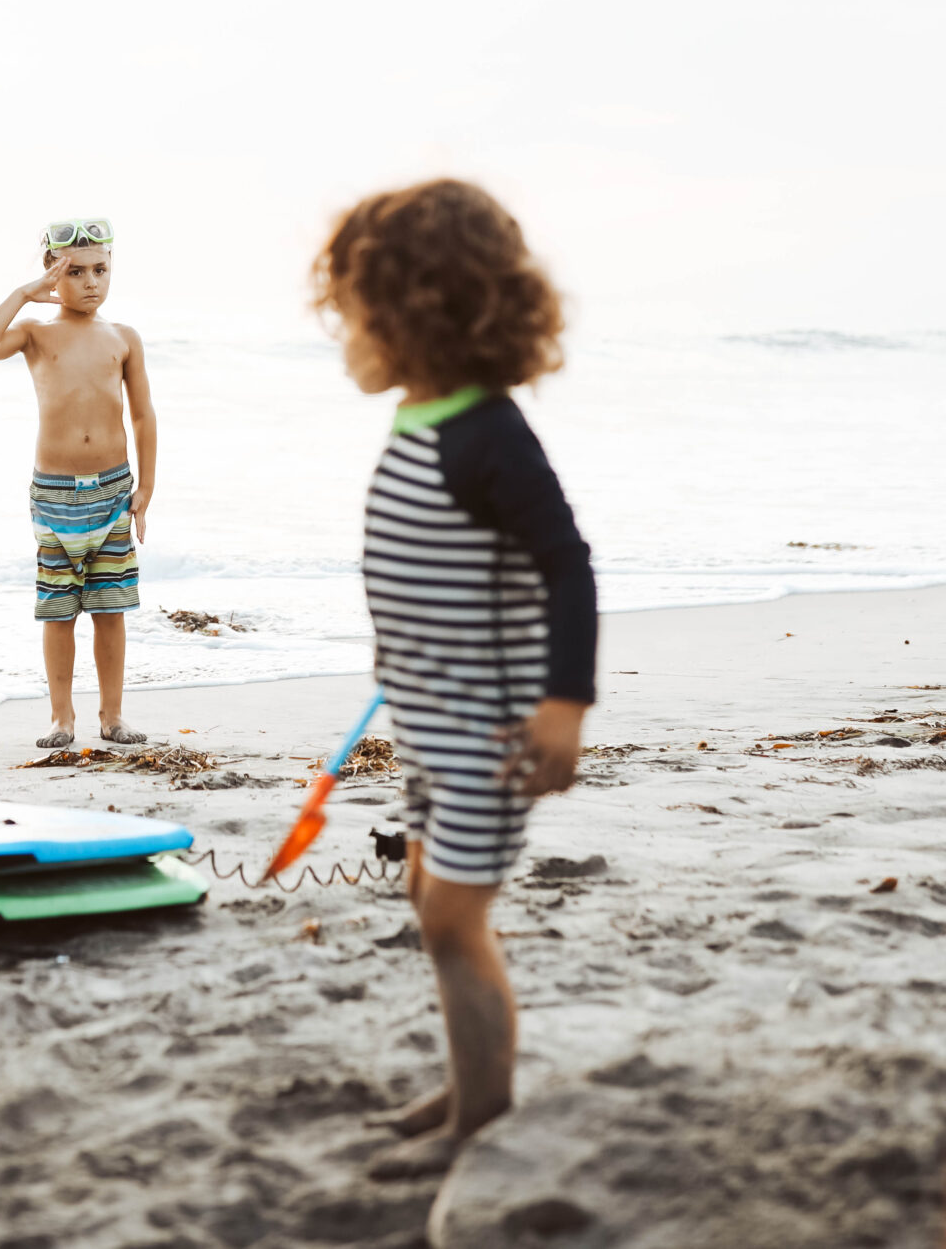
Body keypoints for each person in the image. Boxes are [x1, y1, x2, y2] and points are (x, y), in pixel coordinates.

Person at [312, 179, 596, 1180]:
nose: (339, 332)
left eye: (350, 313)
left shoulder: (487, 436)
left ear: (411, 316)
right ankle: (467, 1089)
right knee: (430, 894)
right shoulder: (423, 419)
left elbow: (565, 565)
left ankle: (478, 1117)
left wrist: (564, 705)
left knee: (448, 917)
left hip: (490, 730)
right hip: (434, 724)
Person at [0, 218, 156, 748]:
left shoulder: (124, 338)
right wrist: (24, 294)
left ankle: (112, 716)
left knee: (111, 609)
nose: (91, 281)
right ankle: (61, 718)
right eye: (75, 272)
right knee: (59, 610)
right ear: (53, 274)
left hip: (114, 493)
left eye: (101, 269)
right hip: (54, 495)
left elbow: (142, 417)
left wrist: (146, 489)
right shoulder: (35, 333)